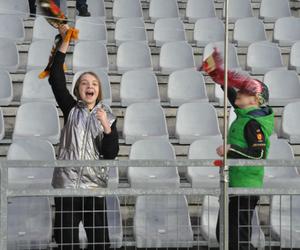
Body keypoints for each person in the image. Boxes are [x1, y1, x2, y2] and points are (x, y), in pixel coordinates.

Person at [49, 24, 119, 250]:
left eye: (94, 84)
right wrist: (65, 41)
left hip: (93, 187)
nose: (90, 86)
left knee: (100, 242)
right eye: (84, 83)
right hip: (67, 187)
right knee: (66, 241)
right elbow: (56, 79)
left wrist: (106, 127)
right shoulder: (71, 109)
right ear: (78, 89)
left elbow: (111, 153)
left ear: (99, 91)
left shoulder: (108, 115)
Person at [201, 49, 274, 250]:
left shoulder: (253, 123)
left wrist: (231, 149)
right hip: (235, 185)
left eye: (245, 91)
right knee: (224, 234)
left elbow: (258, 154)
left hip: (245, 187)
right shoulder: (245, 115)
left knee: (236, 238)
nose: (239, 92)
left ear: (255, 100)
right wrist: (218, 76)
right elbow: (233, 97)